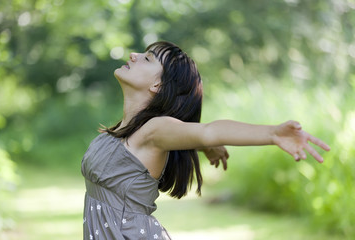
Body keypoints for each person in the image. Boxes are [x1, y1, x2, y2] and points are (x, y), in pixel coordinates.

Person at [81, 41, 330, 240]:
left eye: (147, 58)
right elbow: (196, 137)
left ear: (158, 84)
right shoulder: (124, 132)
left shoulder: (153, 131)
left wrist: (272, 134)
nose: (134, 55)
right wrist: (205, 147)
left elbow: (209, 130)